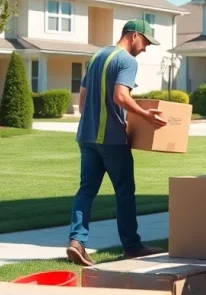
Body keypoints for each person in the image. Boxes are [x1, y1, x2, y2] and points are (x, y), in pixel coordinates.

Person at [67, 20, 169, 266]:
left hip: (87, 137)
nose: (144, 49)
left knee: (86, 190)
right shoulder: (126, 60)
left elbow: (82, 101)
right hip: (112, 140)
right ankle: (132, 246)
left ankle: (76, 241)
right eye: (145, 42)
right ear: (134, 36)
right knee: (124, 192)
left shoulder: (96, 57)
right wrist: (146, 116)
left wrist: (96, 117)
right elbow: (120, 96)